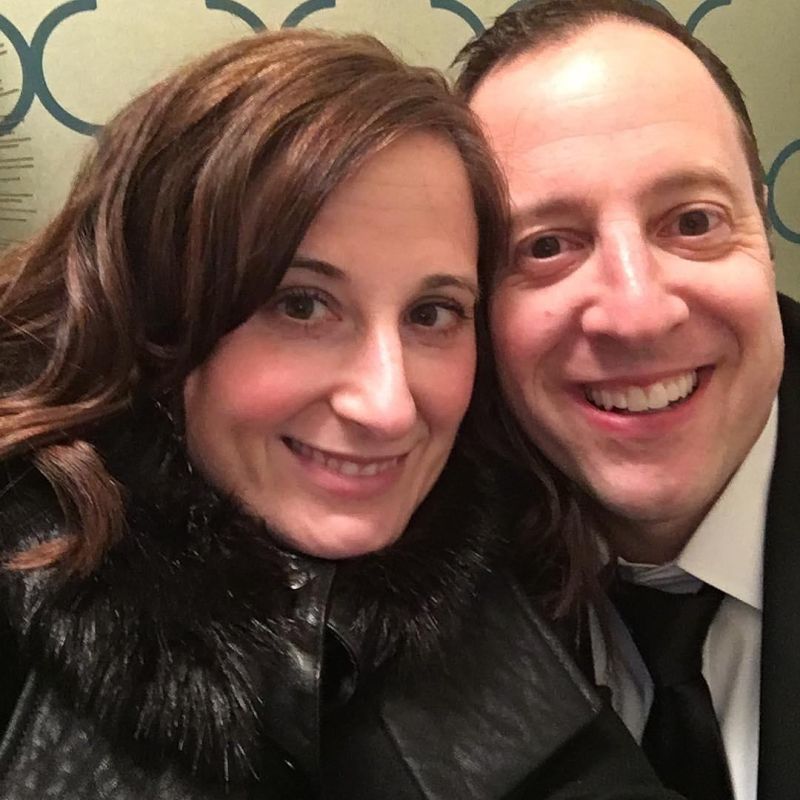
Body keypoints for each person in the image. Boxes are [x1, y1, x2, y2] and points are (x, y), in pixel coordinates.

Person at [0, 27, 684, 800]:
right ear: (151, 314)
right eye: (301, 305)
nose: (387, 407)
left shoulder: (524, 568)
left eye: (432, 312)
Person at [455, 2, 794, 799]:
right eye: (546, 246)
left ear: (764, 231)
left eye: (694, 222)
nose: (637, 313)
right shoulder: (420, 562)